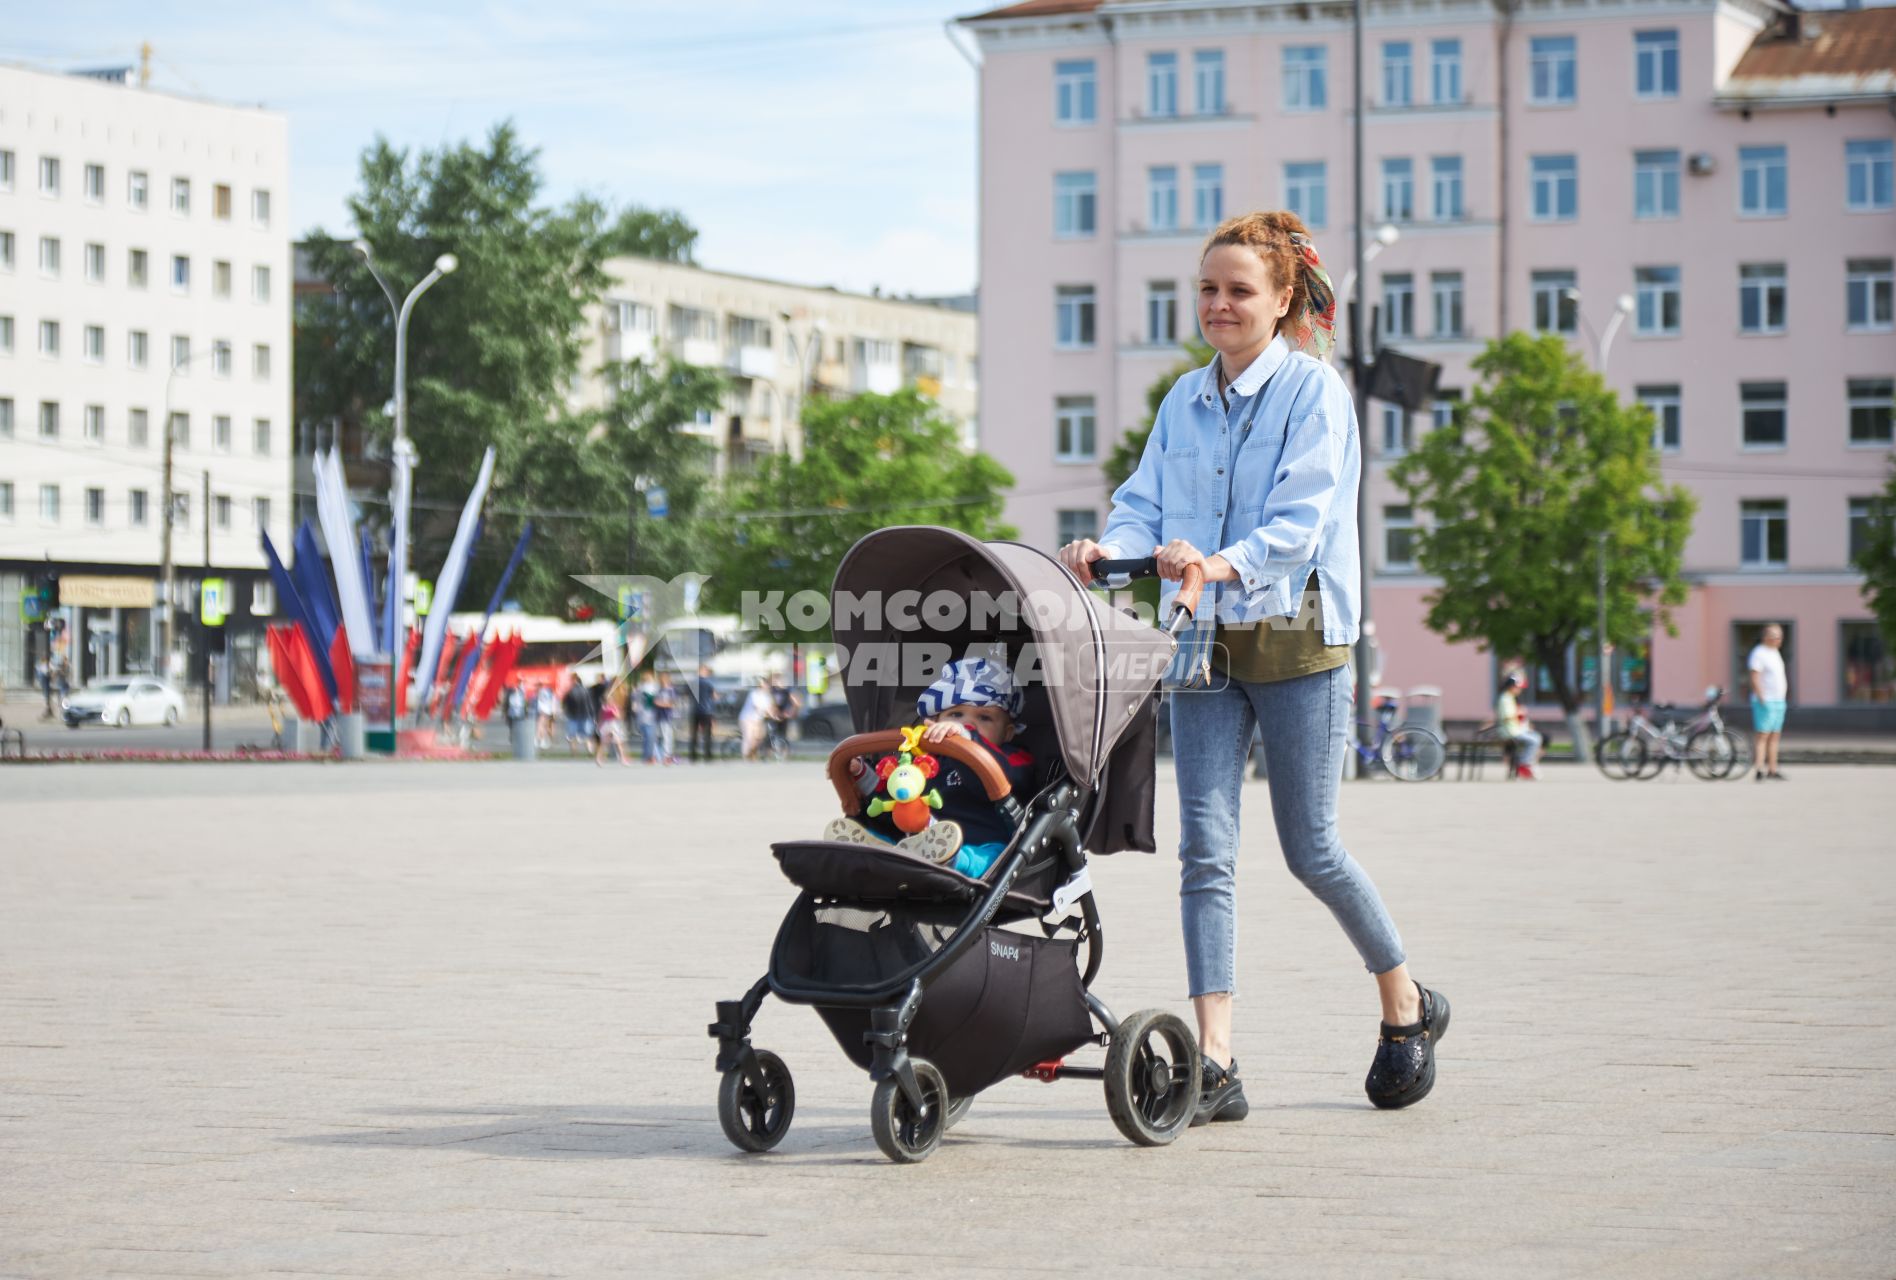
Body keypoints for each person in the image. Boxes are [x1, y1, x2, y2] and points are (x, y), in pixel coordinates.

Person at [1058, 210, 1448, 1123]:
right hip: (1203, 643)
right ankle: (1217, 1061)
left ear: (1282, 302)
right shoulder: (1181, 401)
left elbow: (1303, 521)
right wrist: (1107, 550)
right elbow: (1142, 502)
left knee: (1312, 848)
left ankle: (1405, 1004)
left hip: (1299, 641)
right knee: (1206, 852)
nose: (1220, 304)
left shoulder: (1315, 395)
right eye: (1208, 289)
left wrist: (1217, 561)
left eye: (1239, 290)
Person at [822, 657, 1035, 878]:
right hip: (918, 840)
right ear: (936, 720)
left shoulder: (1013, 758)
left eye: (984, 717)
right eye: (955, 714)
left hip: (984, 843)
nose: (967, 724)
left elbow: (1002, 780)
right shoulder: (925, 760)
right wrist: (861, 774)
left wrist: (968, 740)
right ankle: (875, 849)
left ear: (1007, 732)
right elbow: (895, 797)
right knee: (899, 804)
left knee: (991, 857)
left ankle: (952, 859)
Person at [1748, 624, 1789, 781]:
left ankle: (1772, 769)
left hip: (1779, 701)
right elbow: (1754, 676)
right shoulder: (1759, 653)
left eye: (1780, 636)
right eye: (1775, 636)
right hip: (1766, 701)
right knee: (1762, 735)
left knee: (1775, 736)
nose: (1778, 639)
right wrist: (1761, 697)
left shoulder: (1775, 653)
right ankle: (1759, 769)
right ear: (1766, 637)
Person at [1495, 671, 1542, 780]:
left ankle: (1525, 763)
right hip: (1510, 731)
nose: (1520, 690)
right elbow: (1506, 716)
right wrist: (1519, 713)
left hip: (1515, 729)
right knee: (1534, 740)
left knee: (1536, 737)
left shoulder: (1511, 698)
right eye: (1518, 687)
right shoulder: (1505, 699)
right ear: (1512, 687)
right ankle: (1523, 763)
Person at [688, 664, 719, 763]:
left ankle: (693, 756)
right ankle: (707, 756)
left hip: (695, 710)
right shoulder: (709, 683)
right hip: (707, 711)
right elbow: (714, 696)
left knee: (694, 734)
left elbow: (688, 695)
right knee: (707, 735)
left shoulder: (692, 682)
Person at [739, 678, 775, 760]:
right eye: (765, 685)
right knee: (749, 737)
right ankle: (745, 756)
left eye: (767, 685)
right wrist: (764, 712)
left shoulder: (767, 697)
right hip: (747, 719)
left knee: (760, 737)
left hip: (758, 720)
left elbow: (770, 708)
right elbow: (756, 706)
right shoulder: (754, 694)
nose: (767, 687)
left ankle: (752, 753)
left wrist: (774, 715)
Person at [594, 687, 631, 767]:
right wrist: (618, 712)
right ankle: (622, 759)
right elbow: (618, 716)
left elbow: (601, 717)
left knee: (605, 743)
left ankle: (598, 758)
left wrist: (599, 725)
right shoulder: (611, 708)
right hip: (611, 725)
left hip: (605, 725)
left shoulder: (604, 708)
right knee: (617, 742)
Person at [653, 672, 679, 765]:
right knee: (658, 737)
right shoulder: (659, 690)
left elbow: (672, 703)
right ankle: (658, 756)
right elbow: (655, 701)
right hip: (658, 716)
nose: (662, 680)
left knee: (667, 737)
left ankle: (667, 756)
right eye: (661, 679)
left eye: (664, 678)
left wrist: (660, 703)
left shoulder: (671, 690)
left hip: (668, 716)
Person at [561, 674, 592, 752]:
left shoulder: (570, 691)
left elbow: (565, 703)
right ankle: (589, 750)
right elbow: (590, 703)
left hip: (573, 715)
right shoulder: (586, 690)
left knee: (571, 734)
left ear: (575, 681)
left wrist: (566, 712)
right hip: (585, 714)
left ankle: (574, 751)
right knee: (586, 734)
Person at [534, 683, 558, 750]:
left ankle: (540, 739)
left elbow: (552, 702)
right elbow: (553, 702)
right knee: (544, 726)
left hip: (544, 710)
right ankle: (542, 740)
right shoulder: (549, 692)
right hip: (548, 711)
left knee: (541, 726)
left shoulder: (543, 691)